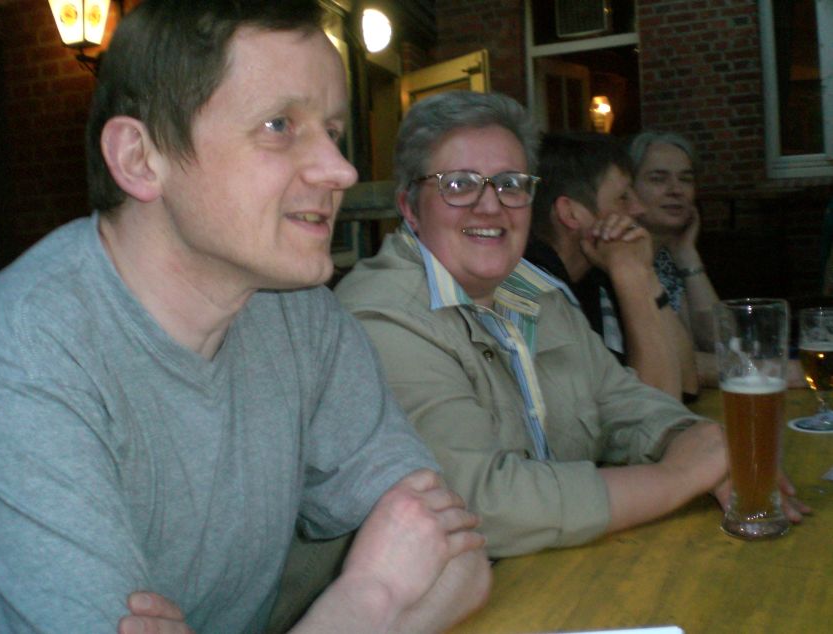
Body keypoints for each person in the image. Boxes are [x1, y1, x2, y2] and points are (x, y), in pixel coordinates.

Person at [0, 2, 491, 633]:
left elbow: (457, 558)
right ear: (140, 158)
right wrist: (369, 598)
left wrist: (374, 597)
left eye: (332, 132)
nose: (341, 170)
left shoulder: (300, 315)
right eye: (280, 126)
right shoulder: (21, 354)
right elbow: (404, 578)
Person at [334, 90, 807, 558]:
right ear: (410, 206)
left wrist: (691, 439)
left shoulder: (532, 290)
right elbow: (478, 504)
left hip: (567, 567)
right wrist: (678, 476)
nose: (491, 205)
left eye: (510, 183)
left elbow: (620, 398)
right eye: (458, 185)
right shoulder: (381, 317)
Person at [524, 132, 698, 401]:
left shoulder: (597, 274)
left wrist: (645, 274)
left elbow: (687, 383)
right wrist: (631, 276)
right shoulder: (535, 294)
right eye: (623, 198)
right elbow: (657, 407)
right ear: (571, 213)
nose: (639, 209)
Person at [629, 130, 806, 388]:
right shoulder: (617, 257)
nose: (676, 190)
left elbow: (722, 342)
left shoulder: (667, 256)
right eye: (658, 179)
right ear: (628, 190)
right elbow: (669, 364)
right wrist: (776, 372)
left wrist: (687, 255)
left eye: (686, 179)